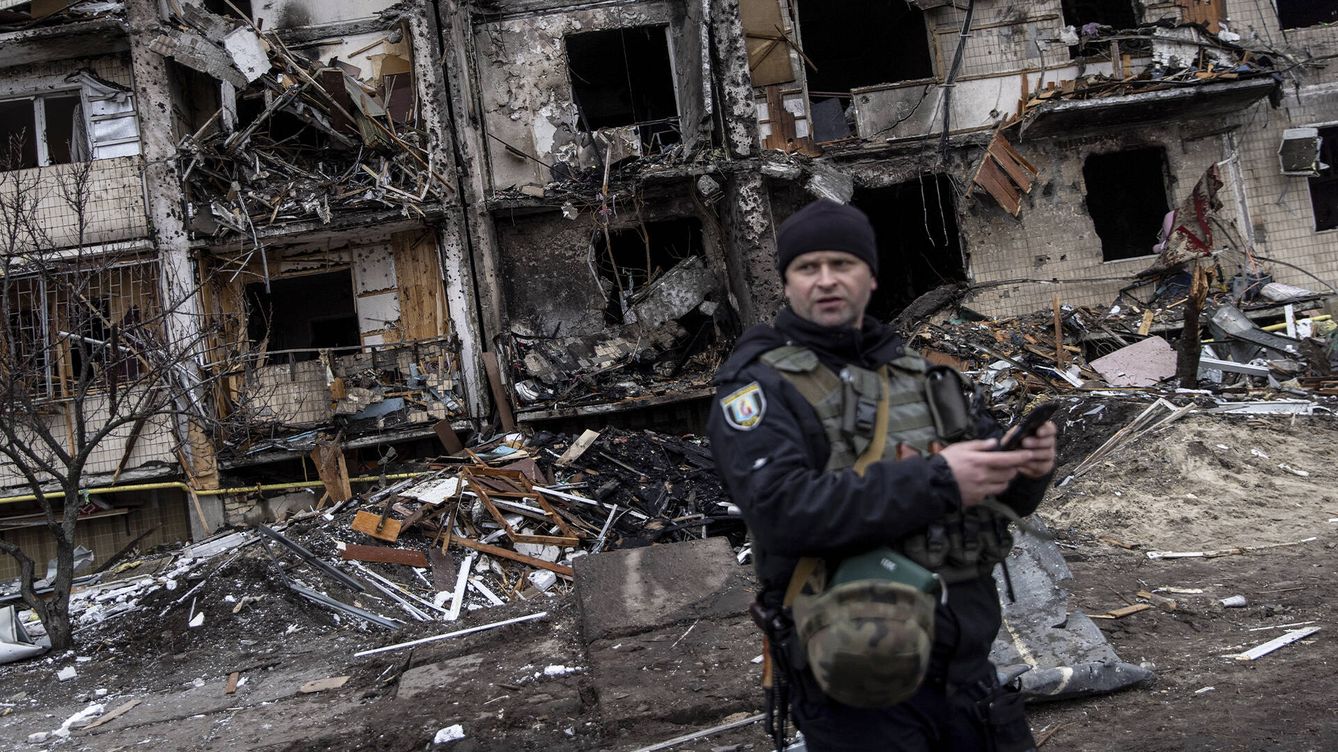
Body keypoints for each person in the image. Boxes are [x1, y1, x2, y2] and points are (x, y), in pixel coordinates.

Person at [708, 199, 1057, 752]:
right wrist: (939, 480)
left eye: (842, 264)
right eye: (807, 267)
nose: (826, 280)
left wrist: (1027, 470)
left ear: (870, 276)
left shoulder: (923, 376)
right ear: (787, 284)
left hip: (966, 670)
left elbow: (993, 498)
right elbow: (781, 511)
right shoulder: (759, 389)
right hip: (859, 686)